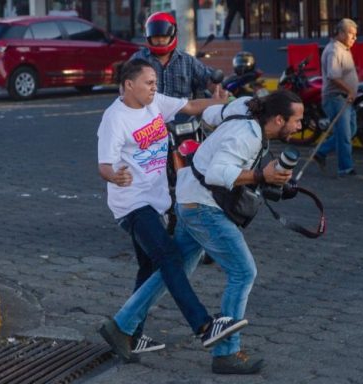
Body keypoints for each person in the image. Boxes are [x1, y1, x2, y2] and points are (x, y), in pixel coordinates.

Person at [106, 90, 304, 374]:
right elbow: (217, 173)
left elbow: (211, 114)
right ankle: (226, 353)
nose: (300, 126)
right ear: (278, 119)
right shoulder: (246, 136)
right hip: (203, 207)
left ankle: (120, 326)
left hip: (189, 195)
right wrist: (262, 175)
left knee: (176, 270)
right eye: (297, 121)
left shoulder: (243, 106)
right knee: (243, 271)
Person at [97, 59, 247, 362]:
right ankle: (204, 325)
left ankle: (126, 333)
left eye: (155, 83)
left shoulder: (155, 104)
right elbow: (103, 165)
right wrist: (115, 175)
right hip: (132, 205)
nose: (155, 88)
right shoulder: (115, 119)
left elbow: (191, 106)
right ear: (129, 85)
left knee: (150, 269)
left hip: (157, 201)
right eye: (149, 83)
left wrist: (226, 102)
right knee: (170, 257)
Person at [127, 10, 219, 351]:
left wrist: (218, 97)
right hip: (146, 169)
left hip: (184, 134)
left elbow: (199, 95)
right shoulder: (137, 69)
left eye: (164, 38)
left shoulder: (186, 64)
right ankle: (200, 325)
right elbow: (109, 161)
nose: (159, 44)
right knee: (161, 261)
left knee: (195, 182)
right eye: (155, 39)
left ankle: (129, 330)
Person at [131, 11, 216, 99]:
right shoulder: (138, 59)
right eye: (156, 37)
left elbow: (209, 80)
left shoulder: (188, 61)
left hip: (183, 111)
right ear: (149, 37)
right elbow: (126, 87)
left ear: (172, 35)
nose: (160, 40)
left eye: (164, 36)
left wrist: (216, 88)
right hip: (148, 111)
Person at [313, 18, 359, 177]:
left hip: (344, 98)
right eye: (351, 34)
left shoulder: (344, 48)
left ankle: (321, 151)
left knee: (350, 131)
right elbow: (333, 76)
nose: (354, 38)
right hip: (336, 98)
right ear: (340, 33)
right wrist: (350, 90)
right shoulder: (334, 50)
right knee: (345, 134)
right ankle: (345, 169)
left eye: (355, 35)